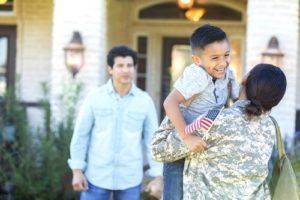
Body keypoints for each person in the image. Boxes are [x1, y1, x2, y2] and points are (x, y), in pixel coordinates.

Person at [152, 63, 287, 199]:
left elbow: (158, 149)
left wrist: (182, 105)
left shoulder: (215, 119)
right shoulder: (271, 127)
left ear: (246, 78)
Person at [68, 45, 163, 200]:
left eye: (129, 66)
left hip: (130, 180)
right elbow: (81, 135)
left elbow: (154, 142)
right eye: (120, 66)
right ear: (110, 69)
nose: (126, 70)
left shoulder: (145, 101)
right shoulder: (95, 98)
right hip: (96, 178)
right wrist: (77, 170)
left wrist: (158, 176)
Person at [161, 24, 239, 199]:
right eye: (214, 58)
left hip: (206, 153)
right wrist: (187, 138)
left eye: (226, 55)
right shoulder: (196, 75)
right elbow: (170, 103)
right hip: (180, 153)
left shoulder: (228, 74)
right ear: (197, 60)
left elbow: (239, 102)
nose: (222, 63)